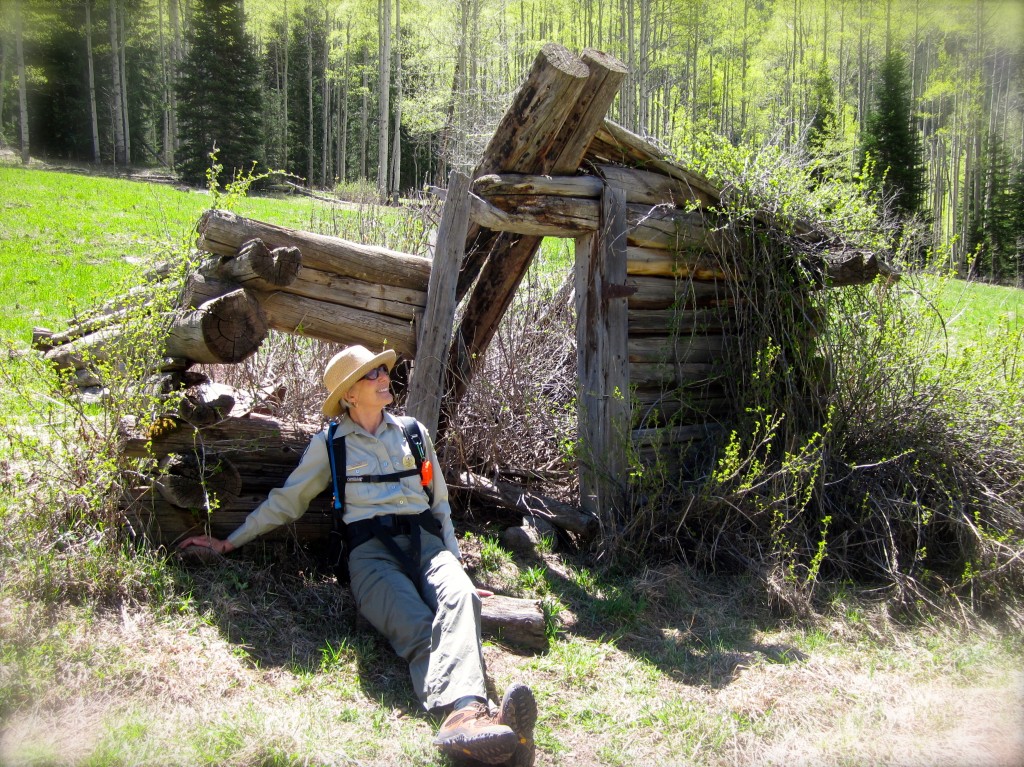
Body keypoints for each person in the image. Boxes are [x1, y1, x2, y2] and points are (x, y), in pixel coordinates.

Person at [179, 345, 537, 766]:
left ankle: (471, 728)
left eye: (384, 370)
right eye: (373, 375)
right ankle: (481, 725)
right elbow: (287, 502)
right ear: (349, 394)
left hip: (428, 546)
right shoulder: (330, 445)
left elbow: (439, 505)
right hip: (370, 557)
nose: (385, 376)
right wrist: (228, 542)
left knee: (462, 598)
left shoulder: (414, 434)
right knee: (416, 623)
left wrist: (457, 564)